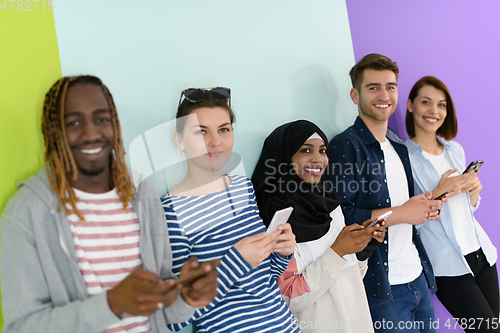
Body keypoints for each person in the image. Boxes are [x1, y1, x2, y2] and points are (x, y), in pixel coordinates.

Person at [0, 75, 219, 333]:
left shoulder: (143, 196)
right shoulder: (27, 212)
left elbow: (162, 309)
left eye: (101, 119)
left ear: (114, 125)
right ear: (53, 131)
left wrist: (186, 297)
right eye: (74, 122)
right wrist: (112, 304)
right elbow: (21, 327)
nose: (91, 132)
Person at [161, 88, 300, 333]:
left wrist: (283, 252)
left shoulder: (243, 187)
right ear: (179, 140)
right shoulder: (168, 211)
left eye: (224, 129)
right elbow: (174, 316)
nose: (216, 141)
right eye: (201, 131)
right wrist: (234, 262)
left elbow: (266, 277)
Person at [327, 54, 443, 333]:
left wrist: (424, 206)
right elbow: (341, 217)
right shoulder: (344, 145)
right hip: (383, 287)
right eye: (373, 87)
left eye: (390, 87)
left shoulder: (398, 145)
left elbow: (403, 206)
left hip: (417, 277)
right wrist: (403, 214)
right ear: (355, 95)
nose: (384, 95)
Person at [251, 120, 386, 333]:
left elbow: (349, 276)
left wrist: (362, 250)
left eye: (323, 151)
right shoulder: (274, 214)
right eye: (306, 150)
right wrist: (338, 251)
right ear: (285, 157)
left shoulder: (329, 201)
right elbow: (287, 297)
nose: (317, 158)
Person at [404, 76, 498, 332]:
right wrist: (439, 191)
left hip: (482, 254)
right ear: (411, 105)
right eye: (426, 102)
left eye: (441, 104)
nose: (434, 111)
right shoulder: (404, 157)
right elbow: (411, 220)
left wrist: (473, 194)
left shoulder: (455, 150)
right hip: (448, 266)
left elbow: (465, 210)